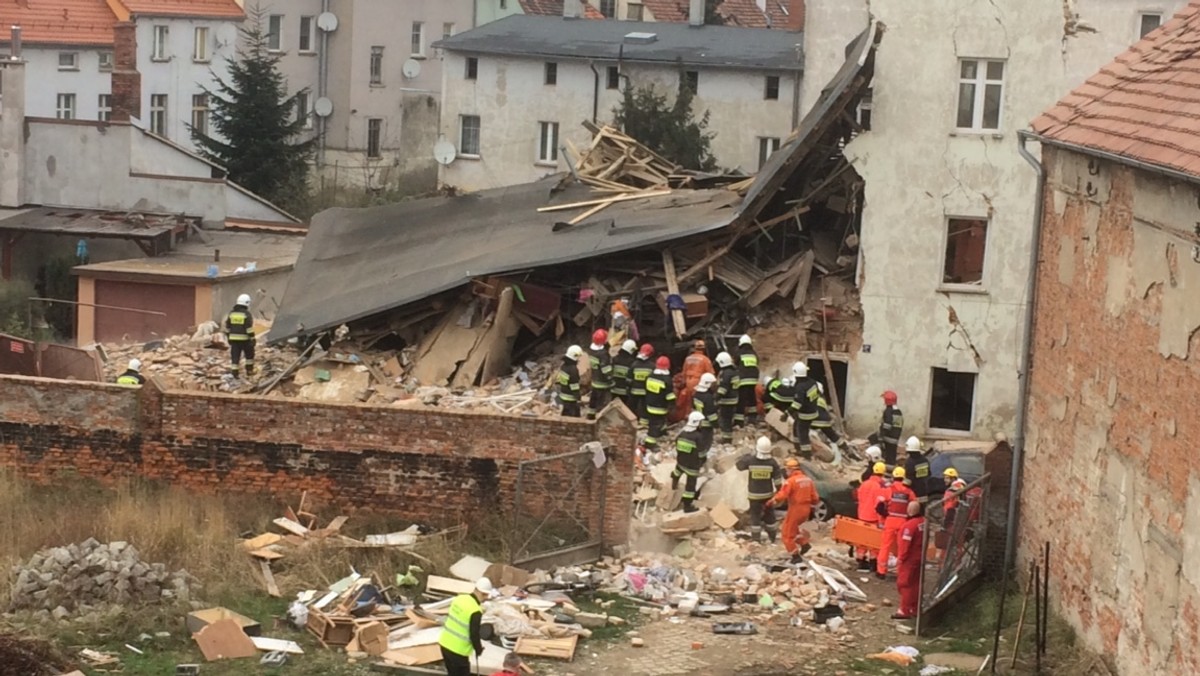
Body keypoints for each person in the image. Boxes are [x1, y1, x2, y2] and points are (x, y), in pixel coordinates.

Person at [767, 457, 820, 563]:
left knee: (786, 534)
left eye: (786, 470)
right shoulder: (807, 480)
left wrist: (773, 500)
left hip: (795, 509)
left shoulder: (790, 481)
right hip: (806, 509)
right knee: (794, 529)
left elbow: (783, 494)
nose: (786, 472)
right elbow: (815, 498)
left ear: (791, 469)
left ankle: (795, 556)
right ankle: (805, 544)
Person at [439, 577, 494, 675]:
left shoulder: (459, 598)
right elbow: (474, 634)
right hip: (458, 651)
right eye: (485, 596)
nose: (485, 599)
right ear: (483, 594)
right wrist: (478, 649)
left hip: (445, 644)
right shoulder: (475, 611)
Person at [736, 436, 781, 543]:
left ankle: (756, 539)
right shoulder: (772, 462)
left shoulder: (751, 460)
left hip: (754, 495)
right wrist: (780, 494)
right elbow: (778, 481)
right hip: (768, 495)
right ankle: (773, 537)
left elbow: (739, 466)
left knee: (755, 516)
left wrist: (746, 456)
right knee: (770, 516)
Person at [876, 466, 917, 579]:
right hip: (904, 522)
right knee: (902, 548)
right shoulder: (909, 492)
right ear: (903, 477)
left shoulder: (889, 490)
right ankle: (900, 572)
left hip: (890, 520)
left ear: (894, 477)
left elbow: (879, 506)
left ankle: (881, 571)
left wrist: (885, 516)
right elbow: (915, 507)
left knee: (885, 546)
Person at [854, 461, 888, 571]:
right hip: (873, 517)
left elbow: (858, 498)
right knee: (874, 542)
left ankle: (861, 561)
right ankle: (873, 563)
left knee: (861, 541)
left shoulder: (864, 484)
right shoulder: (880, 486)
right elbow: (880, 504)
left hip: (862, 515)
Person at [894, 501, 926, 620]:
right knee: (916, 584)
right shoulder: (923, 522)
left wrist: (901, 559)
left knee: (905, 584)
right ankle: (914, 608)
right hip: (919, 557)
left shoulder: (909, 526)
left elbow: (905, 545)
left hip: (909, 559)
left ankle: (904, 610)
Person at [671, 411, 707, 512]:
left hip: (681, 461)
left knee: (678, 470)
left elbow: (677, 444)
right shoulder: (698, 436)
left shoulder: (682, 433)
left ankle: (674, 479)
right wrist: (703, 461)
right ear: (697, 423)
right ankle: (687, 505)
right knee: (690, 486)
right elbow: (702, 453)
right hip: (692, 465)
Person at [642, 356, 675, 453]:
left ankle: (662, 431)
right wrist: (673, 403)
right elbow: (669, 395)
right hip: (660, 407)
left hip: (649, 404)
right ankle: (650, 443)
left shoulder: (650, 376)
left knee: (657, 421)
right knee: (655, 424)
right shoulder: (666, 380)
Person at [790, 362, 819, 458]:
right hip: (813, 410)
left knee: (803, 433)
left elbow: (797, 403)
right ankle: (798, 448)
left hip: (805, 414)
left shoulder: (800, 387)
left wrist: (787, 413)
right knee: (795, 427)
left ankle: (806, 455)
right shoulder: (812, 382)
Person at [679, 339, 715, 415]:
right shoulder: (705, 359)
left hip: (688, 382)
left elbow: (684, 372)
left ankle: (689, 416)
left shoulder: (688, 358)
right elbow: (711, 374)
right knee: (699, 402)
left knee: (690, 402)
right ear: (704, 349)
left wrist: (683, 383)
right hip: (698, 382)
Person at [224, 293, 256, 377]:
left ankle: (235, 373)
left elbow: (227, 327)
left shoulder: (231, 313)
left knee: (235, 357)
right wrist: (252, 338)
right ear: (247, 303)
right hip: (245, 340)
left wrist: (228, 337)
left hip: (234, 340)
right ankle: (249, 371)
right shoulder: (246, 314)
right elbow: (248, 328)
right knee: (249, 355)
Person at [585, 329, 612, 419]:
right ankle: (601, 418)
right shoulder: (603, 354)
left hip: (595, 380)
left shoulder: (592, 352)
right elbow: (606, 370)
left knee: (593, 400)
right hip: (603, 382)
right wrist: (611, 380)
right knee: (603, 402)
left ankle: (590, 415)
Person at [735, 335, 759, 427]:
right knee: (752, 398)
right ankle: (752, 419)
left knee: (741, 399)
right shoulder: (753, 353)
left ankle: (739, 421)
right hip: (753, 379)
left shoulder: (739, 352)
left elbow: (736, 363)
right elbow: (757, 363)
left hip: (743, 379)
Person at [714, 351, 738, 445]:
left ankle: (726, 439)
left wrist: (716, 397)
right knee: (728, 419)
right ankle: (727, 437)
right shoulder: (734, 372)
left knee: (725, 420)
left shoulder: (726, 374)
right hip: (733, 399)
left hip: (726, 401)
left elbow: (723, 388)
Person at [811, 382, 843, 452]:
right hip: (824, 421)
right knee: (831, 434)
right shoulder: (822, 399)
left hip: (811, 420)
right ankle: (844, 447)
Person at [692, 373, 718, 457]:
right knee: (706, 443)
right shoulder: (708, 397)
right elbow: (711, 413)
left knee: (699, 442)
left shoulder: (696, 395)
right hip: (707, 424)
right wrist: (716, 424)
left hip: (698, 423)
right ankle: (701, 459)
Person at [630, 344, 655, 427]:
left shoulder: (634, 364)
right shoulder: (652, 366)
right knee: (644, 408)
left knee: (633, 406)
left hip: (634, 391)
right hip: (646, 392)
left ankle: (631, 421)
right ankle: (644, 424)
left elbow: (629, 378)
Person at [903, 436, 933, 503]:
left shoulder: (909, 462)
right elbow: (929, 474)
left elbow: (908, 480)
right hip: (924, 493)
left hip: (913, 494)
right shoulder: (925, 460)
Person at [555, 345, 583, 418]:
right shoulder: (573, 369)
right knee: (573, 418)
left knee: (565, 416)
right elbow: (574, 385)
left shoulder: (564, 366)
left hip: (564, 396)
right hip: (571, 398)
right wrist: (578, 397)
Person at [878, 390, 904, 465]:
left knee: (887, 455)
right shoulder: (898, 412)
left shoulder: (888, 411)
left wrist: (881, 435)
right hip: (895, 438)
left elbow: (887, 425)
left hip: (888, 437)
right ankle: (891, 467)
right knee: (892, 455)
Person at [611, 340, 637, 409]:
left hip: (614, 391)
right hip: (626, 393)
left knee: (614, 410)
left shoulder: (614, 359)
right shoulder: (632, 363)